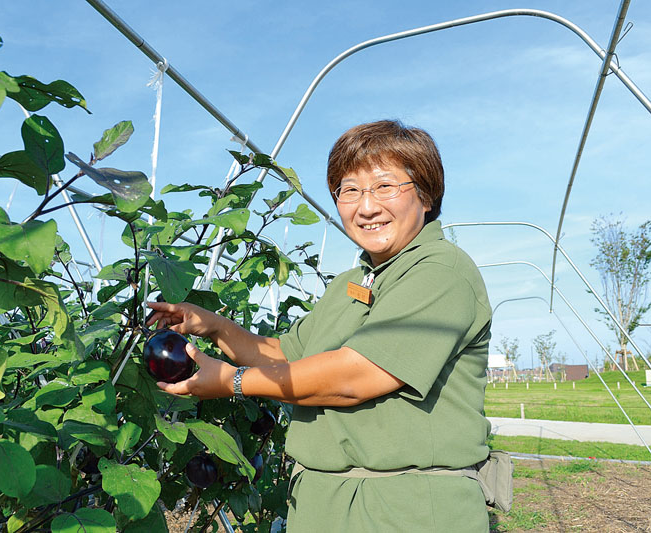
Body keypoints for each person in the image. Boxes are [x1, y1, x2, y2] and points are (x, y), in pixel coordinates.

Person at [147, 120, 492, 532]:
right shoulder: (352, 283)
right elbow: (283, 356)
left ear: (426, 194)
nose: (366, 207)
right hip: (322, 503)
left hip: (404, 508)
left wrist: (233, 382)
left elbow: (356, 376)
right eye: (350, 190)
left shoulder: (440, 270)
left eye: (385, 186)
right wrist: (215, 326)